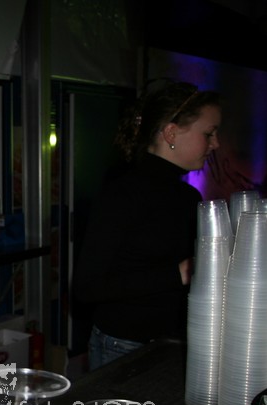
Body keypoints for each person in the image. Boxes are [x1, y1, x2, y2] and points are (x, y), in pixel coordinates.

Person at [73, 80, 221, 370]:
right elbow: (87, 287)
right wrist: (178, 273)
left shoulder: (189, 196)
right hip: (122, 345)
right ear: (171, 133)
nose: (216, 144)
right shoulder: (123, 192)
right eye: (209, 133)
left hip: (173, 342)